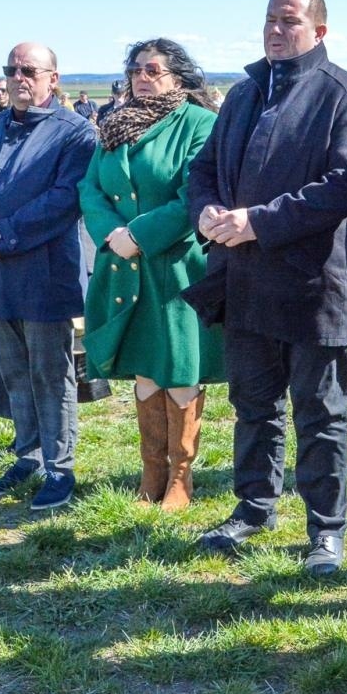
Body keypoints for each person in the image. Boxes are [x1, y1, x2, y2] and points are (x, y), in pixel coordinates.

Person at [188, 0, 347, 574]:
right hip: (243, 280)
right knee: (252, 405)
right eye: (270, 19)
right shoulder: (245, 94)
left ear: (319, 31)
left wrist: (259, 223)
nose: (276, 30)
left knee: (320, 413)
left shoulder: (344, 95)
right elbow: (203, 167)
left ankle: (326, 530)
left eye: (289, 21)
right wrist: (207, 211)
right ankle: (254, 507)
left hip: (312, 285)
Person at [80, 38, 224, 510]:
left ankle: (181, 478)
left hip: (175, 267)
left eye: (154, 69)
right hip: (123, 266)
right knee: (146, 371)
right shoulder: (114, 125)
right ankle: (151, 472)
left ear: (178, 76)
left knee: (179, 368)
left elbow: (193, 196)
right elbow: (91, 188)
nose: (143, 77)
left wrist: (140, 234)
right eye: (137, 69)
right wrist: (110, 233)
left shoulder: (199, 124)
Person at [0, 42, 98, 512]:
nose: (19, 78)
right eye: (11, 70)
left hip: (44, 273)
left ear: (52, 79)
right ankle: (29, 456)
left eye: (29, 70)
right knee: (13, 371)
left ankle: (60, 466)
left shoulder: (75, 133)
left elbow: (64, 200)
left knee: (49, 374)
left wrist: (5, 236)